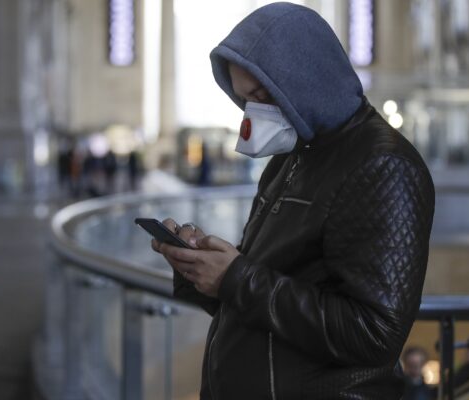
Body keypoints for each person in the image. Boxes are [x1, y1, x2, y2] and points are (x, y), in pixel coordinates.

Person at [150, 3, 435, 399]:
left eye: (263, 95)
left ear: (306, 78)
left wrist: (235, 278)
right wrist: (204, 268)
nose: (254, 113)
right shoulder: (295, 155)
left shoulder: (382, 165)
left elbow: (373, 333)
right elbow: (270, 289)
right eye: (246, 99)